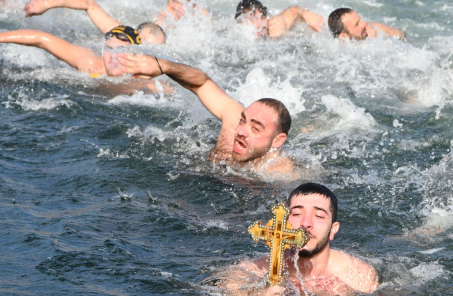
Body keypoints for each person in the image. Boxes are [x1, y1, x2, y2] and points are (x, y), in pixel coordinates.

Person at [119, 53, 294, 173]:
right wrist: (163, 66)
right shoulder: (233, 119)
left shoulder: (279, 173)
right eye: (243, 120)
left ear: (277, 140)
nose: (241, 131)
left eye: (256, 129)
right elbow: (202, 83)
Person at [217, 183, 380, 296]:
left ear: (333, 229)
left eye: (319, 216)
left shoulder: (358, 277)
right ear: (284, 222)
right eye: (296, 213)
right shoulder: (253, 271)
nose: (306, 223)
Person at [0, 25, 147, 78]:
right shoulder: (90, 62)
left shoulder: (142, 80)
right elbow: (42, 39)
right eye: (109, 49)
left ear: (135, 54)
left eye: (121, 50)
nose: (114, 56)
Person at [24, 0, 166, 44]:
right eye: (142, 42)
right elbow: (89, 4)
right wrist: (46, 3)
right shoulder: (122, 38)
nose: (145, 50)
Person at [235, 0, 325, 38]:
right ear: (240, 23)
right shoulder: (234, 38)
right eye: (252, 20)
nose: (259, 25)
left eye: (262, 18)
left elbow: (293, 12)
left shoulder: (273, 26)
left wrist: (307, 14)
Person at [327, 7, 404, 40]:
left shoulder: (373, 30)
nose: (364, 24)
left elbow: (401, 35)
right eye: (357, 24)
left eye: (360, 20)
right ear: (344, 36)